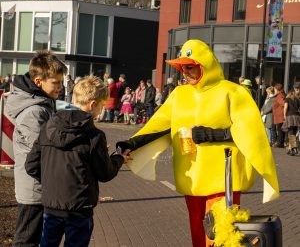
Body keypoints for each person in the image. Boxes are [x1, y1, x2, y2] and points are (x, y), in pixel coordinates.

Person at [116, 40, 279, 247]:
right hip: (192, 178)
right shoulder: (179, 94)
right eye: (182, 68)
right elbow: (160, 125)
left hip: (223, 177)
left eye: (190, 66)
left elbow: (250, 131)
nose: (185, 72)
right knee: (198, 236)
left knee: (221, 236)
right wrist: (131, 143)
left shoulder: (232, 92)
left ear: (204, 64)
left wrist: (210, 134)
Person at [25, 75, 130, 247]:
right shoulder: (94, 136)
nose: (101, 110)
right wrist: (118, 158)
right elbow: (105, 173)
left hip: (51, 206)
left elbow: (31, 165)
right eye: (102, 105)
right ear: (92, 104)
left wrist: (51, 182)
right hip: (79, 208)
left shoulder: (49, 127)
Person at [5, 50, 67, 247]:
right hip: (35, 190)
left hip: (37, 186)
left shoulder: (41, 105)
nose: (60, 87)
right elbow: (40, 154)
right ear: (39, 81)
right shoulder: (35, 111)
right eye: (56, 82)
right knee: (26, 240)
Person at [282, 86, 300, 156]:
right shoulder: (298, 99)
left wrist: (284, 115)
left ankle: (294, 148)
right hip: (297, 116)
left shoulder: (287, 99)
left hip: (290, 116)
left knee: (290, 133)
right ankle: (290, 149)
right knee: (294, 132)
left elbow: (285, 107)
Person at [272, 83, 286, 148]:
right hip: (279, 115)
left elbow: (284, 104)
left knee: (279, 129)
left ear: (277, 89)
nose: (274, 90)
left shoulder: (280, 96)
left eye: (274, 89)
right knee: (280, 129)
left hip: (280, 115)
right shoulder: (280, 95)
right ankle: (281, 143)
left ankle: (280, 143)